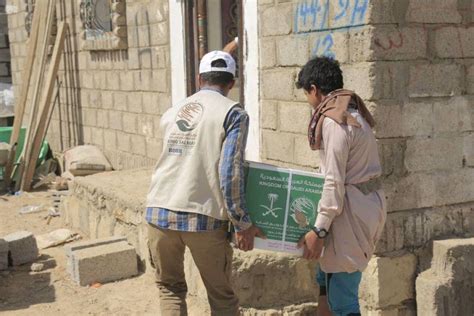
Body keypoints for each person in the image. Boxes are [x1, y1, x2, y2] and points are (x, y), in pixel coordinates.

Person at [145, 50, 263, 316]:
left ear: (199, 79)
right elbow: (229, 172)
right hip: (204, 219)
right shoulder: (233, 114)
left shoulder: (173, 111)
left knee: (170, 289)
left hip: (158, 211)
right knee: (221, 298)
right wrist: (242, 222)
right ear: (231, 83)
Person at [295, 56, 386, 316]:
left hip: (350, 212)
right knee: (325, 282)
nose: (308, 101)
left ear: (314, 89)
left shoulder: (335, 122)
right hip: (359, 205)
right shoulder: (351, 112)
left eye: (307, 94)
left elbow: (334, 181)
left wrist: (318, 231)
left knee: (343, 298)